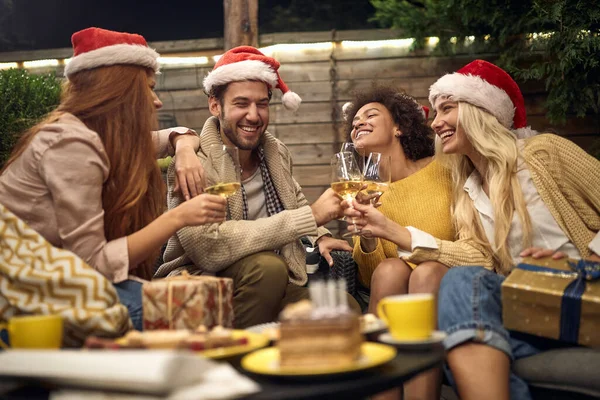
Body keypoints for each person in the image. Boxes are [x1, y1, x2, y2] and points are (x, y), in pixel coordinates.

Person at [345, 59, 600, 400]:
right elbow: (476, 256)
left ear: (480, 109)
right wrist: (386, 230)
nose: (436, 123)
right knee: (462, 280)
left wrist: (589, 264)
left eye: (447, 109)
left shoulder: (543, 154)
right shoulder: (469, 190)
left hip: (581, 292)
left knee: (445, 283)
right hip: (525, 306)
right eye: (435, 113)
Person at [0, 27, 228, 331]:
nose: (156, 101)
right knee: (171, 312)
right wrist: (177, 218)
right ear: (119, 91)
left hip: (51, 279)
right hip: (20, 292)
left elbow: (178, 134)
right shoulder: (71, 143)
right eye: (148, 88)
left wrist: (184, 148)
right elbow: (93, 265)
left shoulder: (102, 135)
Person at [155, 46, 360, 328]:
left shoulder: (275, 152)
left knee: (344, 309)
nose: (254, 115)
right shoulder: (192, 163)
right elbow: (208, 248)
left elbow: (295, 200)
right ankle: (233, 363)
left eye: (261, 104)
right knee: (267, 268)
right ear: (215, 105)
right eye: (241, 103)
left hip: (277, 280)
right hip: (202, 282)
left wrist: (320, 234)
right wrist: (310, 218)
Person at [343, 86, 455, 400]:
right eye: (355, 120)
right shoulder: (365, 191)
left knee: (425, 271)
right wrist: (365, 239)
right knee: (391, 269)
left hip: (449, 271)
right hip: (397, 285)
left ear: (399, 127)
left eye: (370, 115)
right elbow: (368, 276)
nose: (358, 122)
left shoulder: (442, 167)